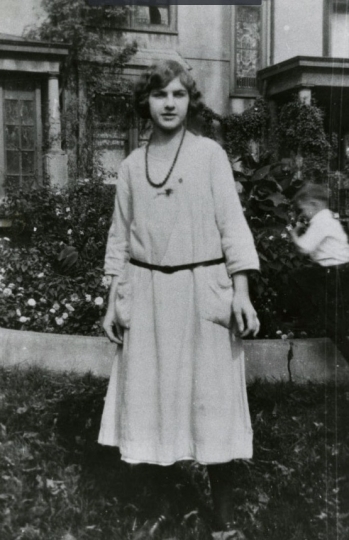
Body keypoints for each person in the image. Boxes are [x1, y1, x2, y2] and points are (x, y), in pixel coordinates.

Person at [98, 59, 260, 539]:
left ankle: (224, 519)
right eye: (159, 94)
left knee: (213, 401)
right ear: (144, 103)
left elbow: (233, 225)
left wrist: (242, 292)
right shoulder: (130, 167)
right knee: (152, 398)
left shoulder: (209, 155)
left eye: (178, 94)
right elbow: (120, 238)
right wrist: (113, 300)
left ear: (191, 102)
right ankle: (164, 506)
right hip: (147, 294)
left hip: (202, 290)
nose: (169, 103)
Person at [289, 183, 349, 363]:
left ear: (314, 204)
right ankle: (305, 318)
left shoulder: (321, 222)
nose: (303, 214)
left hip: (335, 273)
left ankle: (302, 319)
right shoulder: (328, 220)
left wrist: (294, 233)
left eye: (304, 209)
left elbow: (304, 247)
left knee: (335, 325)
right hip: (338, 271)